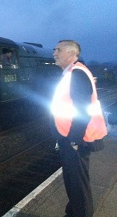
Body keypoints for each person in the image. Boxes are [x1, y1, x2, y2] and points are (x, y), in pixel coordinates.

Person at [51, 40, 107, 217]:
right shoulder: (70, 74)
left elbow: (82, 108)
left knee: (78, 185)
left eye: (58, 50)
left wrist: (74, 139)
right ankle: (73, 212)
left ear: (71, 53)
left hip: (77, 140)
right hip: (69, 137)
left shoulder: (77, 74)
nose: (54, 53)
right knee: (73, 183)